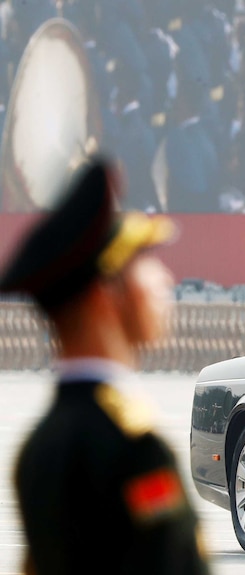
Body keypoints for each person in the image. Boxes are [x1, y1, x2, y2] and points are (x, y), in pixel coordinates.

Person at [0, 158, 210, 575]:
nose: (164, 280)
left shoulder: (40, 446)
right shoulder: (132, 448)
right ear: (103, 296)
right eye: (144, 264)